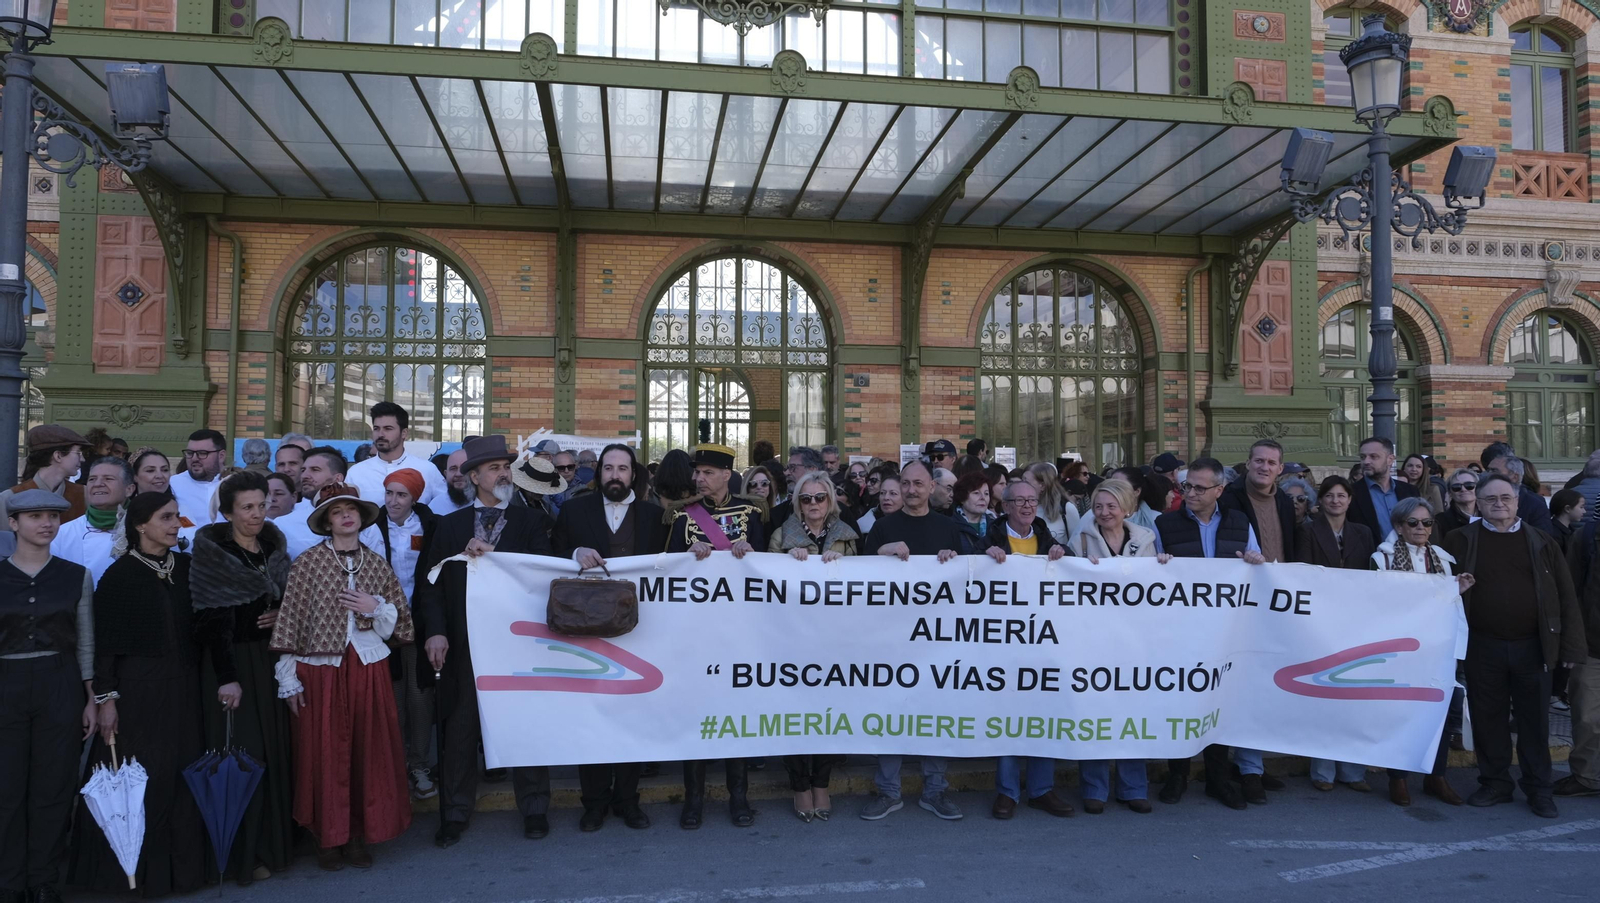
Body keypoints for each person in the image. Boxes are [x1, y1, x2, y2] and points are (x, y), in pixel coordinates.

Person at [414, 436, 554, 847]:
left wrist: (493, 556)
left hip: (517, 645)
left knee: (525, 726)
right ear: (473, 477)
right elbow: (430, 585)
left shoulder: (531, 523)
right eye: (494, 468)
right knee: (459, 727)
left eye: (506, 466)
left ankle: (534, 807)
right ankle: (456, 812)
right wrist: (436, 631)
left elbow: (542, 576)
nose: (504, 472)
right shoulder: (450, 526)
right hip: (463, 643)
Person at [71, 492, 210, 896]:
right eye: (165, 517)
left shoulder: (185, 567)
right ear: (139, 524)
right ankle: (131, 877)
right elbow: (106, 647)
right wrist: (107, 700)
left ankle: (178, 876)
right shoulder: (119, 577)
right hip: (138, 695)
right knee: (139, 782)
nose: (174, 524)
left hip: (183, 690)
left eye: (177, 516)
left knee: (181, 778)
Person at [269, 483, 413, 868]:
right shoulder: (308, 564)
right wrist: (288, 679)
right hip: (321, 671)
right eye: (336, 511)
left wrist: (375, 605)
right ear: (327, 520)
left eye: (351, 509)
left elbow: (399, 627)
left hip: (367, 667)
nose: (345, 516)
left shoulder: (377, 564)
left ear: (361, 517)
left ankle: (358, 835)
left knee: (368, 751)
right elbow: (291, 623)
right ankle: (327, 836)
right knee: (324, 752)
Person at [1442, 473, 1584, 818]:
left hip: (1532, 646)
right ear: (1479, 502)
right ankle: (1495, 783)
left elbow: (1565, 596)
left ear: (1518, 501)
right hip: (1482, 647)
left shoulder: (1542, 540)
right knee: (1488, 719)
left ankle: (1539, 789)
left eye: (1505, 497)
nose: (1498, 504)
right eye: (1490, 499)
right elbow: (1438, 590)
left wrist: (1570, 649)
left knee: (1534, 722)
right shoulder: (1458, 540)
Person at [552, 444, 664, 832]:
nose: (615, 475)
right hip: (588, 628)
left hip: (640, 629)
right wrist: (575, 551)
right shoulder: (573, 510)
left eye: (623, 468)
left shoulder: (656, 516)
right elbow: (549, 555)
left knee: (634, 717)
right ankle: (594, 802)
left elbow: (672, 565)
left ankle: (628, 800)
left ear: (634, 474)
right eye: (609, 468)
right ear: (599, 473)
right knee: (593, 717)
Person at [190, 472, 295, 884]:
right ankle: (243, 854)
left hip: (271, 663)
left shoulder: (274, 546)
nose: (256, 514)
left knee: (275, 750)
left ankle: (277, 843)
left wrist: (281, 613)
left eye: (261, 504)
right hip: (231, 667)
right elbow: (209, 624)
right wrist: (227, 678)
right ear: (229, 511)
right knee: (241, 754)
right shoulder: (214, 551)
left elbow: (292, 603)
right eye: (247, 507)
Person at [861, 461, 970, 823]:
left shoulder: (948, 528)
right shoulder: (882, 528)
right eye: (905, 484)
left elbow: (967, 580)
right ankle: (888, 791)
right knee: (890, 711)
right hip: (890, 639)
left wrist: (952, 562)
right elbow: (859, 580)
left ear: (931, 487)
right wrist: (881, 553)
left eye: (918, 484)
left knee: (935, 712)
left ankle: (935, 790)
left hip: (936, 641)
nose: (910, 490)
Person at [1153, 457, 1264, 811]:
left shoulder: (1239, 521)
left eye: (1200, 488)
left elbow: (1256, 562)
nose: (1190, 493)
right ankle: (1178, 774)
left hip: (1224, 631)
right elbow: (1149, 572)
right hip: (1179, 630)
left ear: (1219, 489)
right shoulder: (1164, 523)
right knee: (1180, 701)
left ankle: (1218, 778)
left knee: (1219, 702)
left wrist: (1254, 562)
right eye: (1187, 486)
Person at [1, 491, 94, 903]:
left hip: (61, 680)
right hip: (6, 679)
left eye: (54, 516)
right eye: (35, 516)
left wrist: (91, 696)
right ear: (13, 523)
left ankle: (43, 880)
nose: (46, 523)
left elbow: (86, 641)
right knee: (7, 787)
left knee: (54, 785)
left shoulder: (77, 575)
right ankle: (9, 880)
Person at [665, 444, 764, 829]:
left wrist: (749, 551)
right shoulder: (680, 516)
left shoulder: (753, 513)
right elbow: (668, 571)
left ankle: (739, 797)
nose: (698, 479)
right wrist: (688, 553)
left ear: (727, 475)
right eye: (696, 473)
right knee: (699, 716)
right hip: (697, 631)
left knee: (735, 716)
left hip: (741, 629)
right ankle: (694, 800)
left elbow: (768, 568)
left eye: (706, 473)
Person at [1064, 478, 1156, 815]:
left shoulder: (1146, 540)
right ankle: (1094, 787)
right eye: (1098, 506)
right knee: (1096, 712)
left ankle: (1134, 787)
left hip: (1133, 639)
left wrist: (1166, 567)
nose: (1104, 512)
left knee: (1131, 713)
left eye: (1110, 506)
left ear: (1126, 508)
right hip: (1094, 638)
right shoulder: (1082, 539)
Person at [768, 470, 856, 823]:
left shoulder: (847, 537)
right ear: (797, 504)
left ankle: (822, 782)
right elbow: (765, 582)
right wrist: (788, 563)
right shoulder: (780, 536)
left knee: (828, 712)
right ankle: (800, 785)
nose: (814, 504)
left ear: (830, 500)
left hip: (834, 640)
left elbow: (866, 584)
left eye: (820, 497)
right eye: (806, 499)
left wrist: (842, 566)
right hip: (792, 639)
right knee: (794, 714)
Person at [1372, 497, 1471, 808]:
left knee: (1437, 712)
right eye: (1413, 523)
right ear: (1399, 526)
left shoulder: (1443, 559)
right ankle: (1398, 777)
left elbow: (1446, 603)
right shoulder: (1382, 559)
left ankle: (1435, 775)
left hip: (1436, 646)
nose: (1421, 528)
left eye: (1426, 523)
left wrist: (1458, 588)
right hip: (1398, 646)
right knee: (1399, 712)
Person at [359, 469, 441, 804]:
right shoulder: (370, 526)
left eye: (401, 495)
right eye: (389, 493)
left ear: (415, 498)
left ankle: (419, 765)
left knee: (420, 699)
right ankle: (391, 768)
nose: (393, 501)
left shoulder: (432, 527)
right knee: (391, 701)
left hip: (419, 623)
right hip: (381, 626)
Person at [1295, 476, 1378, 793]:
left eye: (1341, 495)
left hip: (1356, 621)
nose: (1335, 501)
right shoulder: (1307, 530)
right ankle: (1323, 771)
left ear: (1350, 499)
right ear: (1321, 500)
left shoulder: (1363, 532)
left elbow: (1371, 576)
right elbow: (1304, 572)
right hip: (1322, 618)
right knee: (1324, 697)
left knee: (1354, 697)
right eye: (1329, 495)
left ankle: (1353, 771)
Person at [1560, 498, 1600, 799]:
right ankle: (1586, 777)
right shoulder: (1585, 538)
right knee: (1586, 717)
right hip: (1591, 645)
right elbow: (1569, 593)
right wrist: (1572, 644)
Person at [52, 457, 135, 587]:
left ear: (129, 489)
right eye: (92, 479)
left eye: (108, 479)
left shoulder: (144, 528)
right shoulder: (63, 534)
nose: (98, 484)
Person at [346, 403, 446, 510]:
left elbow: (444, 507)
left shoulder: (427, 470)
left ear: (404, 433)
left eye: (388, 429)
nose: (380, 434)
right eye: (376, 428)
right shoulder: (356, 472)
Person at [0, 425, 88, 525]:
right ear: (58, 456)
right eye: (78, 453)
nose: (82, 459)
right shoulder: (8, 498)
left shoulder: (84, 495)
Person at [277, 446, 348, 560]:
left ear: (337, 478)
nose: (305, 476)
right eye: (303, 470)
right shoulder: (283, 524)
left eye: (315, 470)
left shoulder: (363, 523)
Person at [1349, 437, 1418, 543]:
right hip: (1369, 556)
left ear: (1390, 459)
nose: (1366, 461)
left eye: (1373, 457)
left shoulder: (1410, 491)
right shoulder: (1351, 493)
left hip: (1408, 556)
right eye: (1363, 457)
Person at [1481, 442, 1553, 533]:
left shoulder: (1535, 505)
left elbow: (1544, 541)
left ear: (1514, 477)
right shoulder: (1481, 500)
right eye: (1488, 470)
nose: (1488, 475)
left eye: (1494, 471)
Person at [168, 429, 228, 526]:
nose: (194, 458)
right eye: (190, 453)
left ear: (221, 456)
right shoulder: (173, 485)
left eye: (202, 453)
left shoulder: (238, 484)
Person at [1024, 461, 1076, 544]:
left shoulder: (1066, 508)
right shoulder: (1021, 508)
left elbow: (1076, 543)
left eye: (1026, 482)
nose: (1021, 486)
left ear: (1042, 486)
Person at [950, 471, 994, 553]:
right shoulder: (949, 526)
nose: (983, 498)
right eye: (976, 493)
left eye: (986, 494)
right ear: (962, 497)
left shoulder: (996, 527)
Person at [1434, 468, 1479, 541]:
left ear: (1478, 489)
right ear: (1450, 493)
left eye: (1469, 485)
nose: (1463, 490)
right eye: (1456, 487)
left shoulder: (1489, 517)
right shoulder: (1440, 521)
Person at [437, 447, 472, 514]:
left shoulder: (486, 504)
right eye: (453, 469)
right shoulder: (435, 507)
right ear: (446, 474)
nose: (458, 474)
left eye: (464, 468)